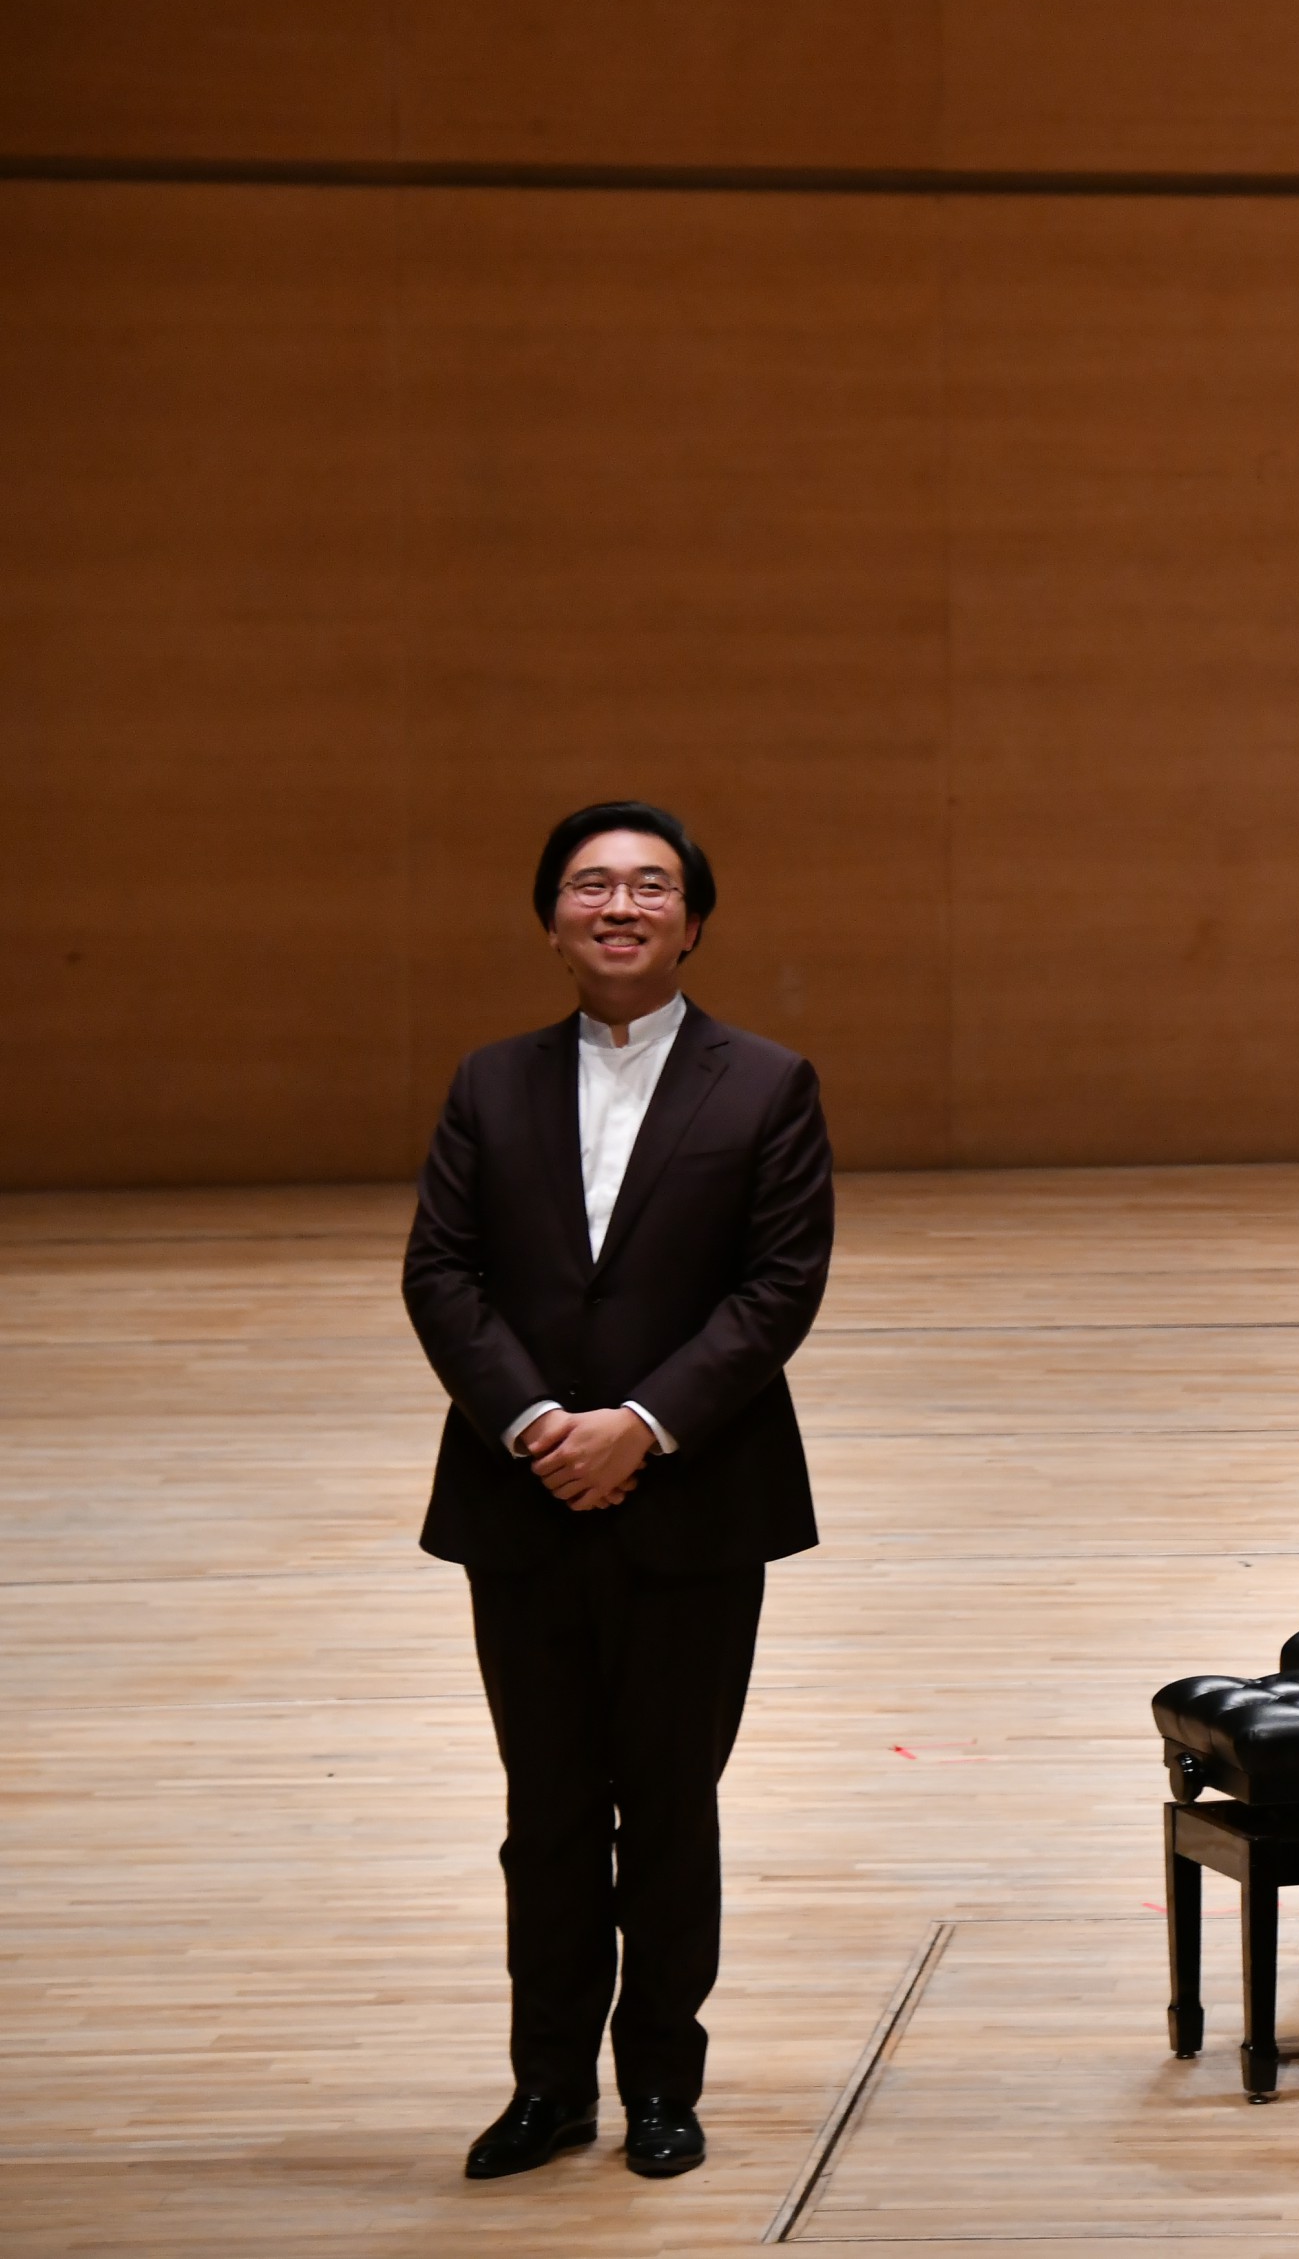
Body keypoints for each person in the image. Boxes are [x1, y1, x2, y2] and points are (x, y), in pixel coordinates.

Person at [401, 801, 833, 2185]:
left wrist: (640, 1426)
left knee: (669, 1798)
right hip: (520, 1500)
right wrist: (538, 1422)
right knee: (545, 1808)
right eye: (592, 884)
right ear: (552, 918)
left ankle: (660, 2081)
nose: (620, 904)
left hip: (695, 1502)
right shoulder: (488, 1080)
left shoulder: (767, 1082)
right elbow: (440, 1275)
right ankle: (546, 2087)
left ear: (693, 919)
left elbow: (777, 1288)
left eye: (651, 885)